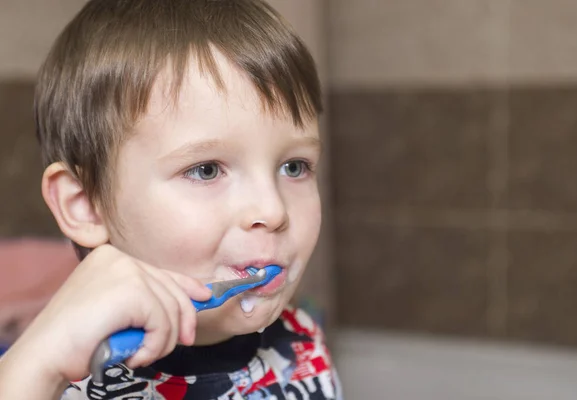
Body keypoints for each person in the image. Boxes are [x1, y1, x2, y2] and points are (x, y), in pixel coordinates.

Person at [0, 0, 342, 398]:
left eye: (294, 167)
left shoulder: (302, 339)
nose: (273, 210)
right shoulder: (68, 380)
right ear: (87, 204)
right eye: (206, 170)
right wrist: (37, 364)